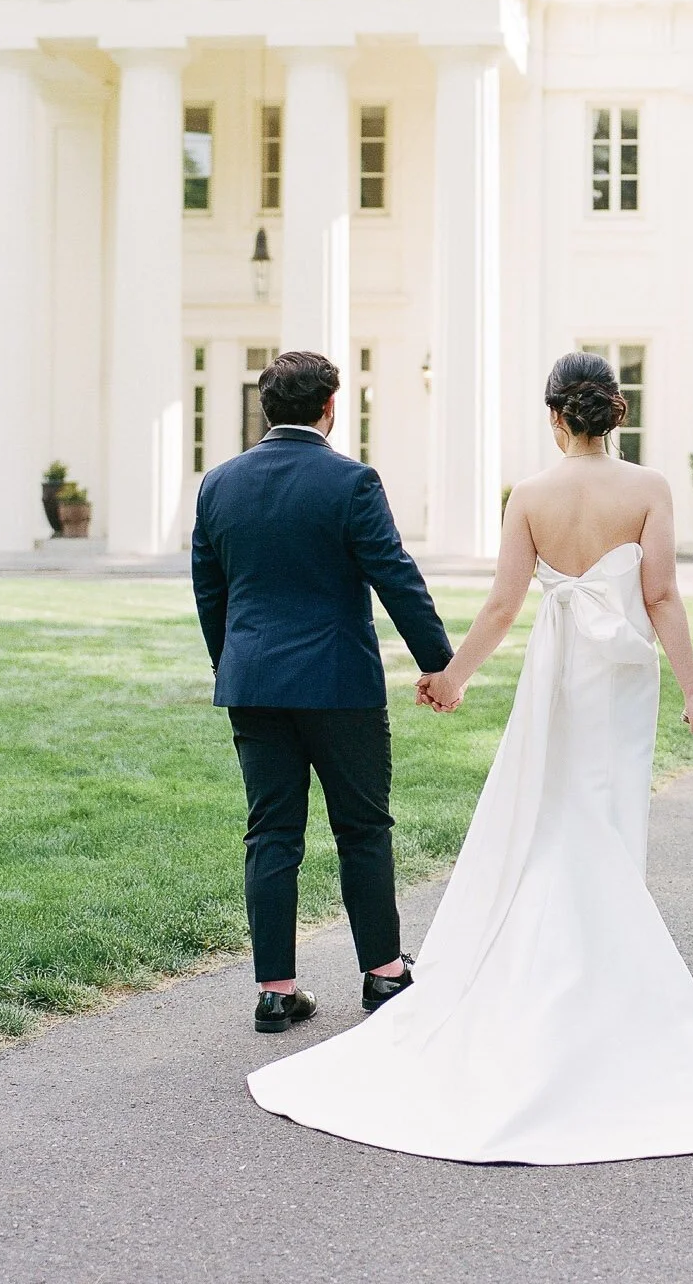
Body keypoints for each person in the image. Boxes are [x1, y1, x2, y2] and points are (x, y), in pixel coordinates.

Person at [247, 350, 693, 1163]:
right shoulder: (649, 490)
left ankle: (547, 974)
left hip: (559, 671)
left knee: (551, 813)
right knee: (605, 817)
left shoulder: (532, 495)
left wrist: (452, 677)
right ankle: (602, 980)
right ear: (616, 411)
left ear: (554, 416)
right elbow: (660, 598)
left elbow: (504, 603)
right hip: (620, 675)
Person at [192, 350, 453, 1033]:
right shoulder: (351, 482)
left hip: (253, 685)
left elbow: (209, 592)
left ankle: (276, 992)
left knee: (271, 833)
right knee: (362, 827)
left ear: (265, 408)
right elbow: (395, 576)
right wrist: (439, 665)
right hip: (340, 685)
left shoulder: (218, 485)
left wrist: (236, 665)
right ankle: (384, 975)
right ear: (330, 408)